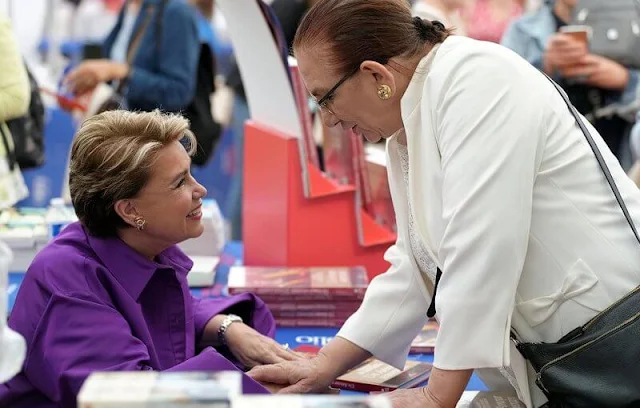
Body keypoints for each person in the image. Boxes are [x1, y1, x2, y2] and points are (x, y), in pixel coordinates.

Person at [247, 0, 640, 407]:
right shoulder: (412, 110)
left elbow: (481, 247)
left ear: (375, 75)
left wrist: (439, 396)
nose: (327, 120)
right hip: (563, 360)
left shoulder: (478, 80)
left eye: (324, 99)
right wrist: (326, 363)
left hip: (605, 344)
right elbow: (416, 265)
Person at [0, 110, 302, 407]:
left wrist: (227, 327)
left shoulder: (134, 244)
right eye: (179, 182)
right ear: (130, 211)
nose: (200, 190)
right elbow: (126, 397)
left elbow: (156, 309)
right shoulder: (65, 281)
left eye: (190, 174)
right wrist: (251, 385)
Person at [501, 0, 639, 164]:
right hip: (550, 156)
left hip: (618, 152)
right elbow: (505, 100)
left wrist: (625, 79)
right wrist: (545, 66)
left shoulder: (632, 22)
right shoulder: (522, 30)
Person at [63, 0, 200, 113]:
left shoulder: (176, 12)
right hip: (122, 128)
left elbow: (178, 92)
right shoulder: (131, 8)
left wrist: (120, 72)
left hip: (150, 136)